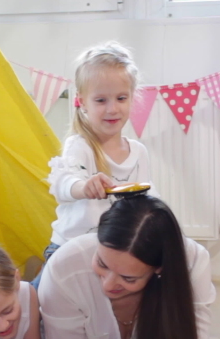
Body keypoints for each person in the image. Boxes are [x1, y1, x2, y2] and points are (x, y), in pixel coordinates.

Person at [39, 195, 216, 339]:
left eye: (128, 278)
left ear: (158, 270)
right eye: (101, 264)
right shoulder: (67, 264)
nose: (108, 285)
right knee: (23, 302)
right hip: (44, 290)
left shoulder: (193, 262)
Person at [34, 42, 159, 287]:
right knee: (39, 305)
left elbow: (148, 197)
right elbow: (63, 183)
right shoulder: (80, 146)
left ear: (132, 99)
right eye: (101, 100)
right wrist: (83, 187)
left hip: (113, 253)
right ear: (82, 102)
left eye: (121, 98)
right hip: (69, 249)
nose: (112, 109)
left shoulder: (139, 152)